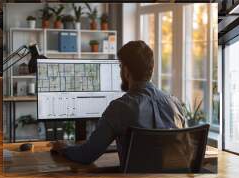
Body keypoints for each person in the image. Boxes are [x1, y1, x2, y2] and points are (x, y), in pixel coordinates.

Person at [51, 40, 186, 166]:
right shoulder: (175, 103)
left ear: (126, 71)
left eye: (120, 66)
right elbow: (185, 149)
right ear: (152, 68)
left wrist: (64, 148)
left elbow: (86, 155)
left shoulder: (120, 108)